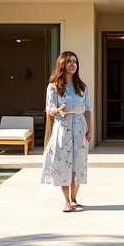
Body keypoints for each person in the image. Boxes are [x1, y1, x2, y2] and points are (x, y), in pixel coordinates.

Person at [40, 51, 93, 212]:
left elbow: (88, 110)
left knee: (78, 163)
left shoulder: (82, 87)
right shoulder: (54, 87)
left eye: (75, 62)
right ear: (62, 64)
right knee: (63, 164)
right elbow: (49, 109)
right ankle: (66, 201)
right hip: (62, 128)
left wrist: (90, 129)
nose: (72, 64)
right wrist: (57, 109)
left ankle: (74, 198)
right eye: (69, 61)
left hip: (80, 127)